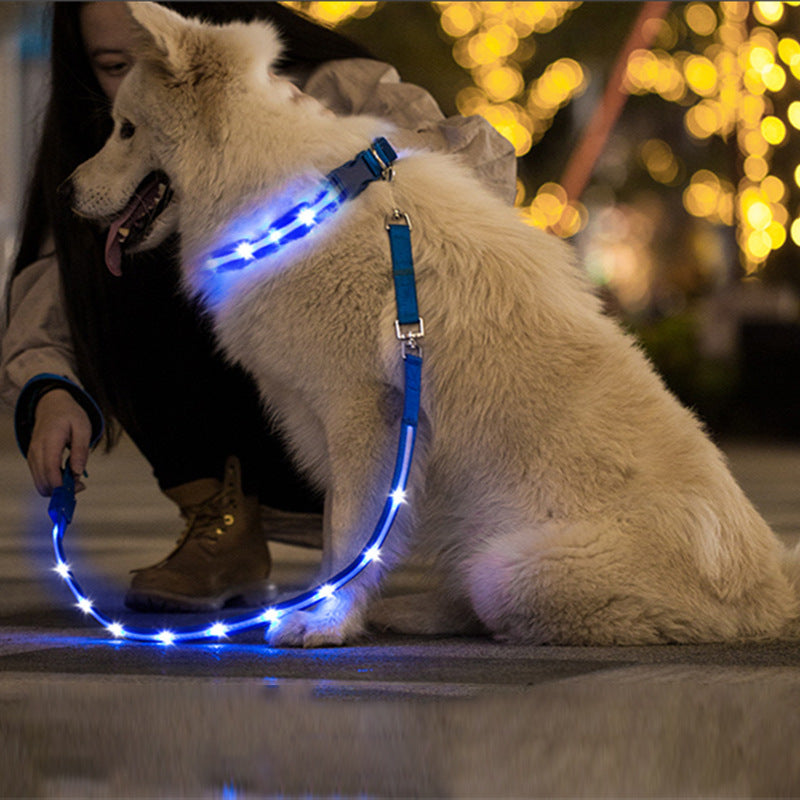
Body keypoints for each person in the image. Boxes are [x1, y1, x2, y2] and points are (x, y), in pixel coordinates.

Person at [1, 1, 517, 612]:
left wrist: (330, 147)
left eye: (152, 61)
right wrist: (48, 386)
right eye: (114, 65)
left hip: (380, 437)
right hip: (258, 423)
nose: (138, 83)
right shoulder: (114, 146)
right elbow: (48, 287)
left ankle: (348, 563)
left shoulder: (331, 83)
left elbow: (485, 168)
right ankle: (219, 525)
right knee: (133, 252)